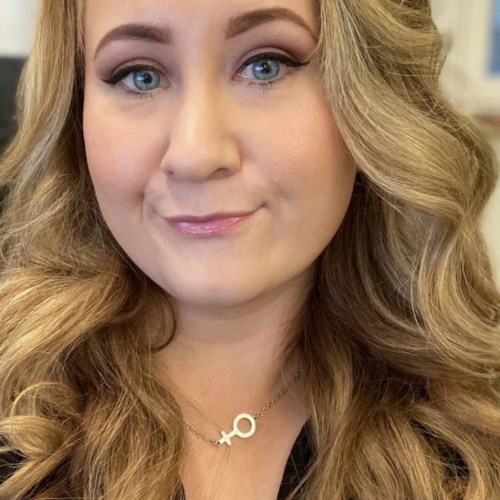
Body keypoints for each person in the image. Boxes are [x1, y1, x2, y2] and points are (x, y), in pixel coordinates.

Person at [0, 0, 499, 498]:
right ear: (75, 111)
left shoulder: (476, 426)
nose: (196, 155)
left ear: (374, 96)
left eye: (266, 65)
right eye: (140, 76)